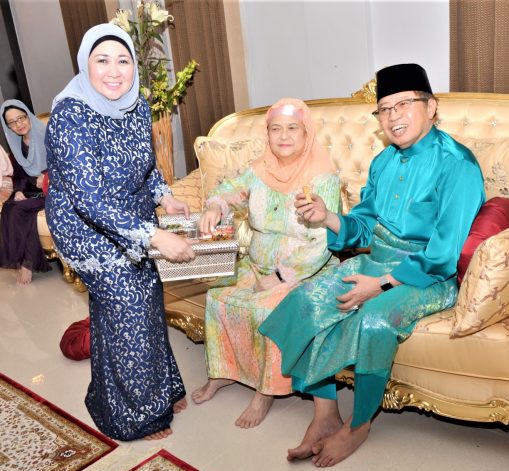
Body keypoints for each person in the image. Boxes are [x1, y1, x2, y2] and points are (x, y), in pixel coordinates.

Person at [259, 63, 486, 467]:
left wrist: (379, 286)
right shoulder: (383, 162)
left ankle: (359, 424)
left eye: (404, 105)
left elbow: (444, 254)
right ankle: (325, 415)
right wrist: (327, 217)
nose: (393, 116)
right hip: (376, 261)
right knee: (306, 299)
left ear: (431, 107)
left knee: (374, 320)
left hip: (427, 276)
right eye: (384, 109)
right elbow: (363, 227)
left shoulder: (457, 164)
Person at [45, 23, 195, 441]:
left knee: (147, 299)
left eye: (123, 61)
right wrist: (156, 236)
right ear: (85, 65)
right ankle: (134, 415)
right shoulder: (70, 116)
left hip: (133, 218)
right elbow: (90, 200)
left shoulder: (137, 104)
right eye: (102, 60)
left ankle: (159, 391)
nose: (114, 71)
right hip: (86, 229)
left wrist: (165, 197)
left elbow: (145, 165)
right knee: (129, 305)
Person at [191, 98, 341, 428]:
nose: (283, 136)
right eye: (276, 129)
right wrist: (215, 206)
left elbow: (323, 242)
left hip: (304, 270)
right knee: (218, 295)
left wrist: (280, 276)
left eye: (292, 128)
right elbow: (228, 190)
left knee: (269, 308)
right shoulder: (259, 170)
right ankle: (223, 371)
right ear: (267, 134)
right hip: (256, 262)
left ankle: (265, 391)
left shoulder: (322, 179)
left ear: (306, 133)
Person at [0, 99, 51, 285]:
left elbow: (65, 164)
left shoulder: (47, 136)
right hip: (31, 192)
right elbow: (19, 176)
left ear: (28, 115)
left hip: (53, 190)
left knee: (22, 210)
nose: (18, 124)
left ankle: (27, 264)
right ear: (8, 127)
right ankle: (24, 260)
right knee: (10, 206)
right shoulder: (17, 145)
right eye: (12, 122)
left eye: (20, 118)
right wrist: (19, 191)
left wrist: (46, 177)